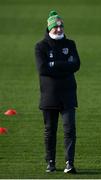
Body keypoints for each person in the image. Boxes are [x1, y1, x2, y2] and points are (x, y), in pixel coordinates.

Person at [35, 10, 80, 173]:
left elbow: (76, 65)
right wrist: (64, 66)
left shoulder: (70, 44)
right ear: (49, 28)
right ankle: (51, 163)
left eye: (61, 26)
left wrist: (54, 64)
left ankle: (69, 163)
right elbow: (42, 69)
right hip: (49, 96)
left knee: (69, 130)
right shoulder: (41, 46)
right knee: (50, 131)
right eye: (56, 27)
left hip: (68, 94)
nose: (59, 29)